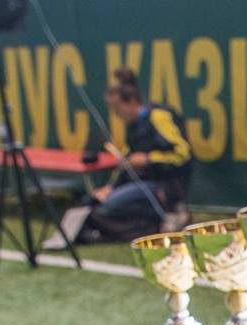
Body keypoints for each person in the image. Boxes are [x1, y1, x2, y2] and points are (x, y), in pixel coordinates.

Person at [81, 67, 191, 242]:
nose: (115, 113)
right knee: (94, 202)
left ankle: (165, 219)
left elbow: (182, 154)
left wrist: (148, 159)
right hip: (141, 182)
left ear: (131, 101)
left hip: (163, 185)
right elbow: (125, 163)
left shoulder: (159, 117)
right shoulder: (132, 125)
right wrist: (110, 188)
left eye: (116, 107)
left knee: (110, 206)